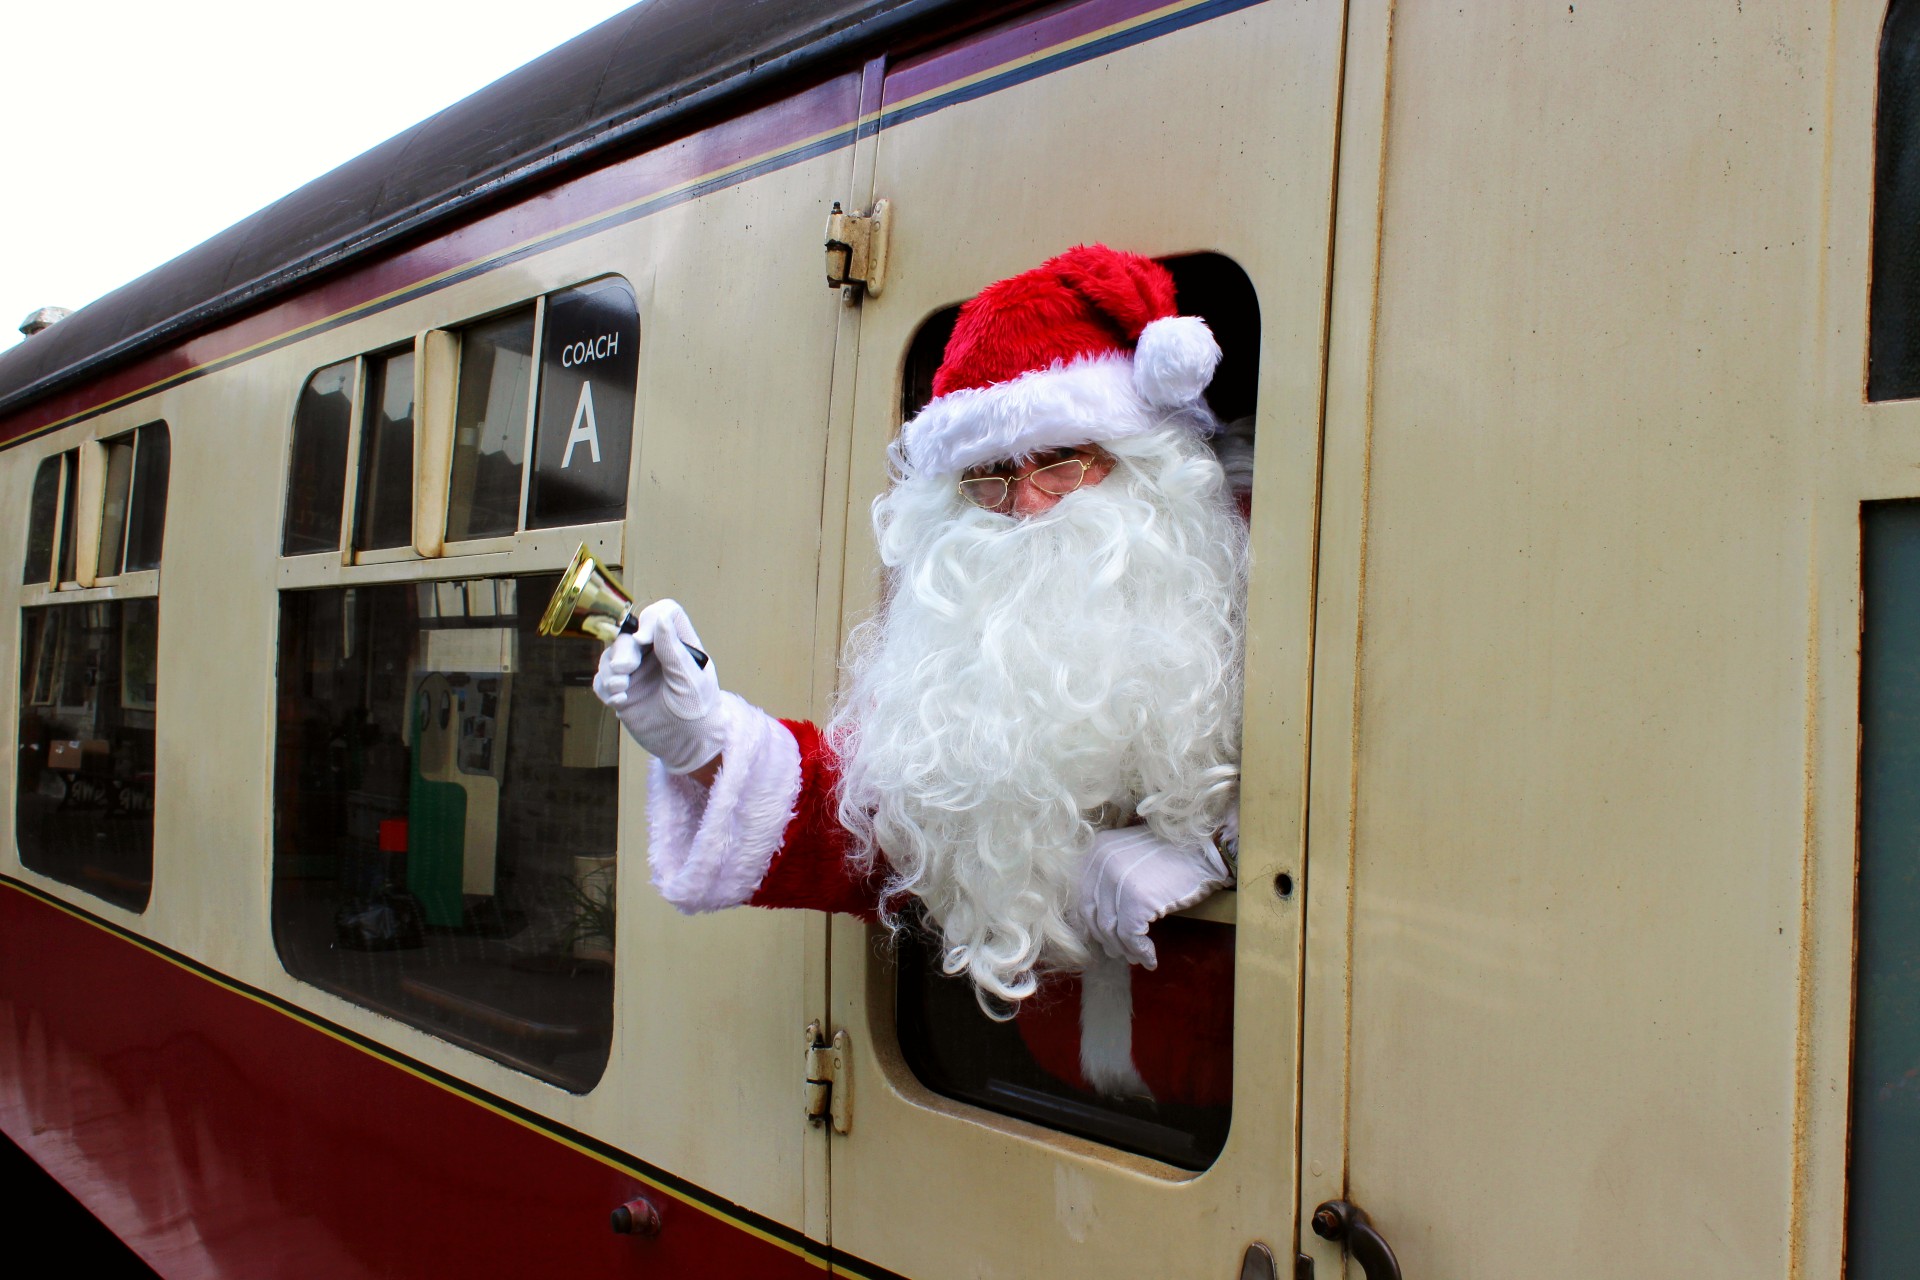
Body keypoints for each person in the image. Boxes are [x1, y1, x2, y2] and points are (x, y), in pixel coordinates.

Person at [594, 245, 1247, 1104]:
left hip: (1256, 1112)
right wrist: (701, 741)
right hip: (1045, 1108)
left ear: (1139, 462)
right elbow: (879, 828)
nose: (1025, 505)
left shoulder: (1245, 576)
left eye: (1061, 461)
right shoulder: (974, 657)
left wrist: (1220, 847)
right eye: (988, 479)